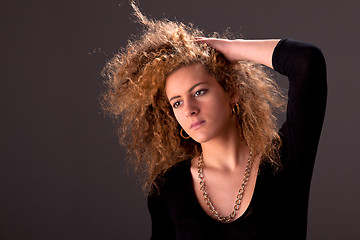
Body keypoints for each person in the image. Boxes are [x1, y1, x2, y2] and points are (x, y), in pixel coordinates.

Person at [101, 3, 327, 240]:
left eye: (199, 92)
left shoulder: (285, 158)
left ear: (231, 91)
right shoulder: (168, 189)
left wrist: (229, 49)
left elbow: (307, 61)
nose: (189, 109)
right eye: (177, 102)